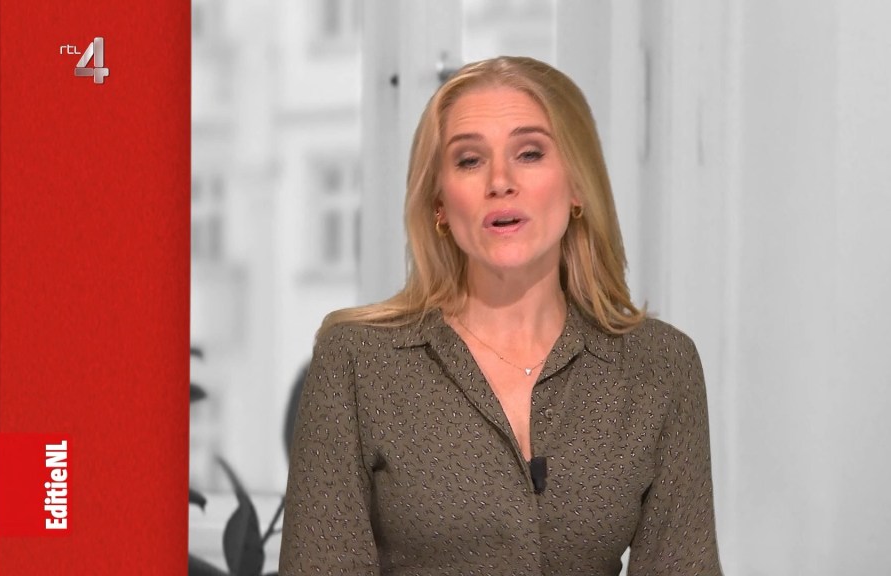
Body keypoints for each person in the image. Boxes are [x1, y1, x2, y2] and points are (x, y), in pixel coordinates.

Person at [279, 56, 722, 576]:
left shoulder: (660, 365)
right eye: (469, 160)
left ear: (577, 186)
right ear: (439, 203)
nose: (500, 181)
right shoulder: (357, 362)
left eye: (529, 153)